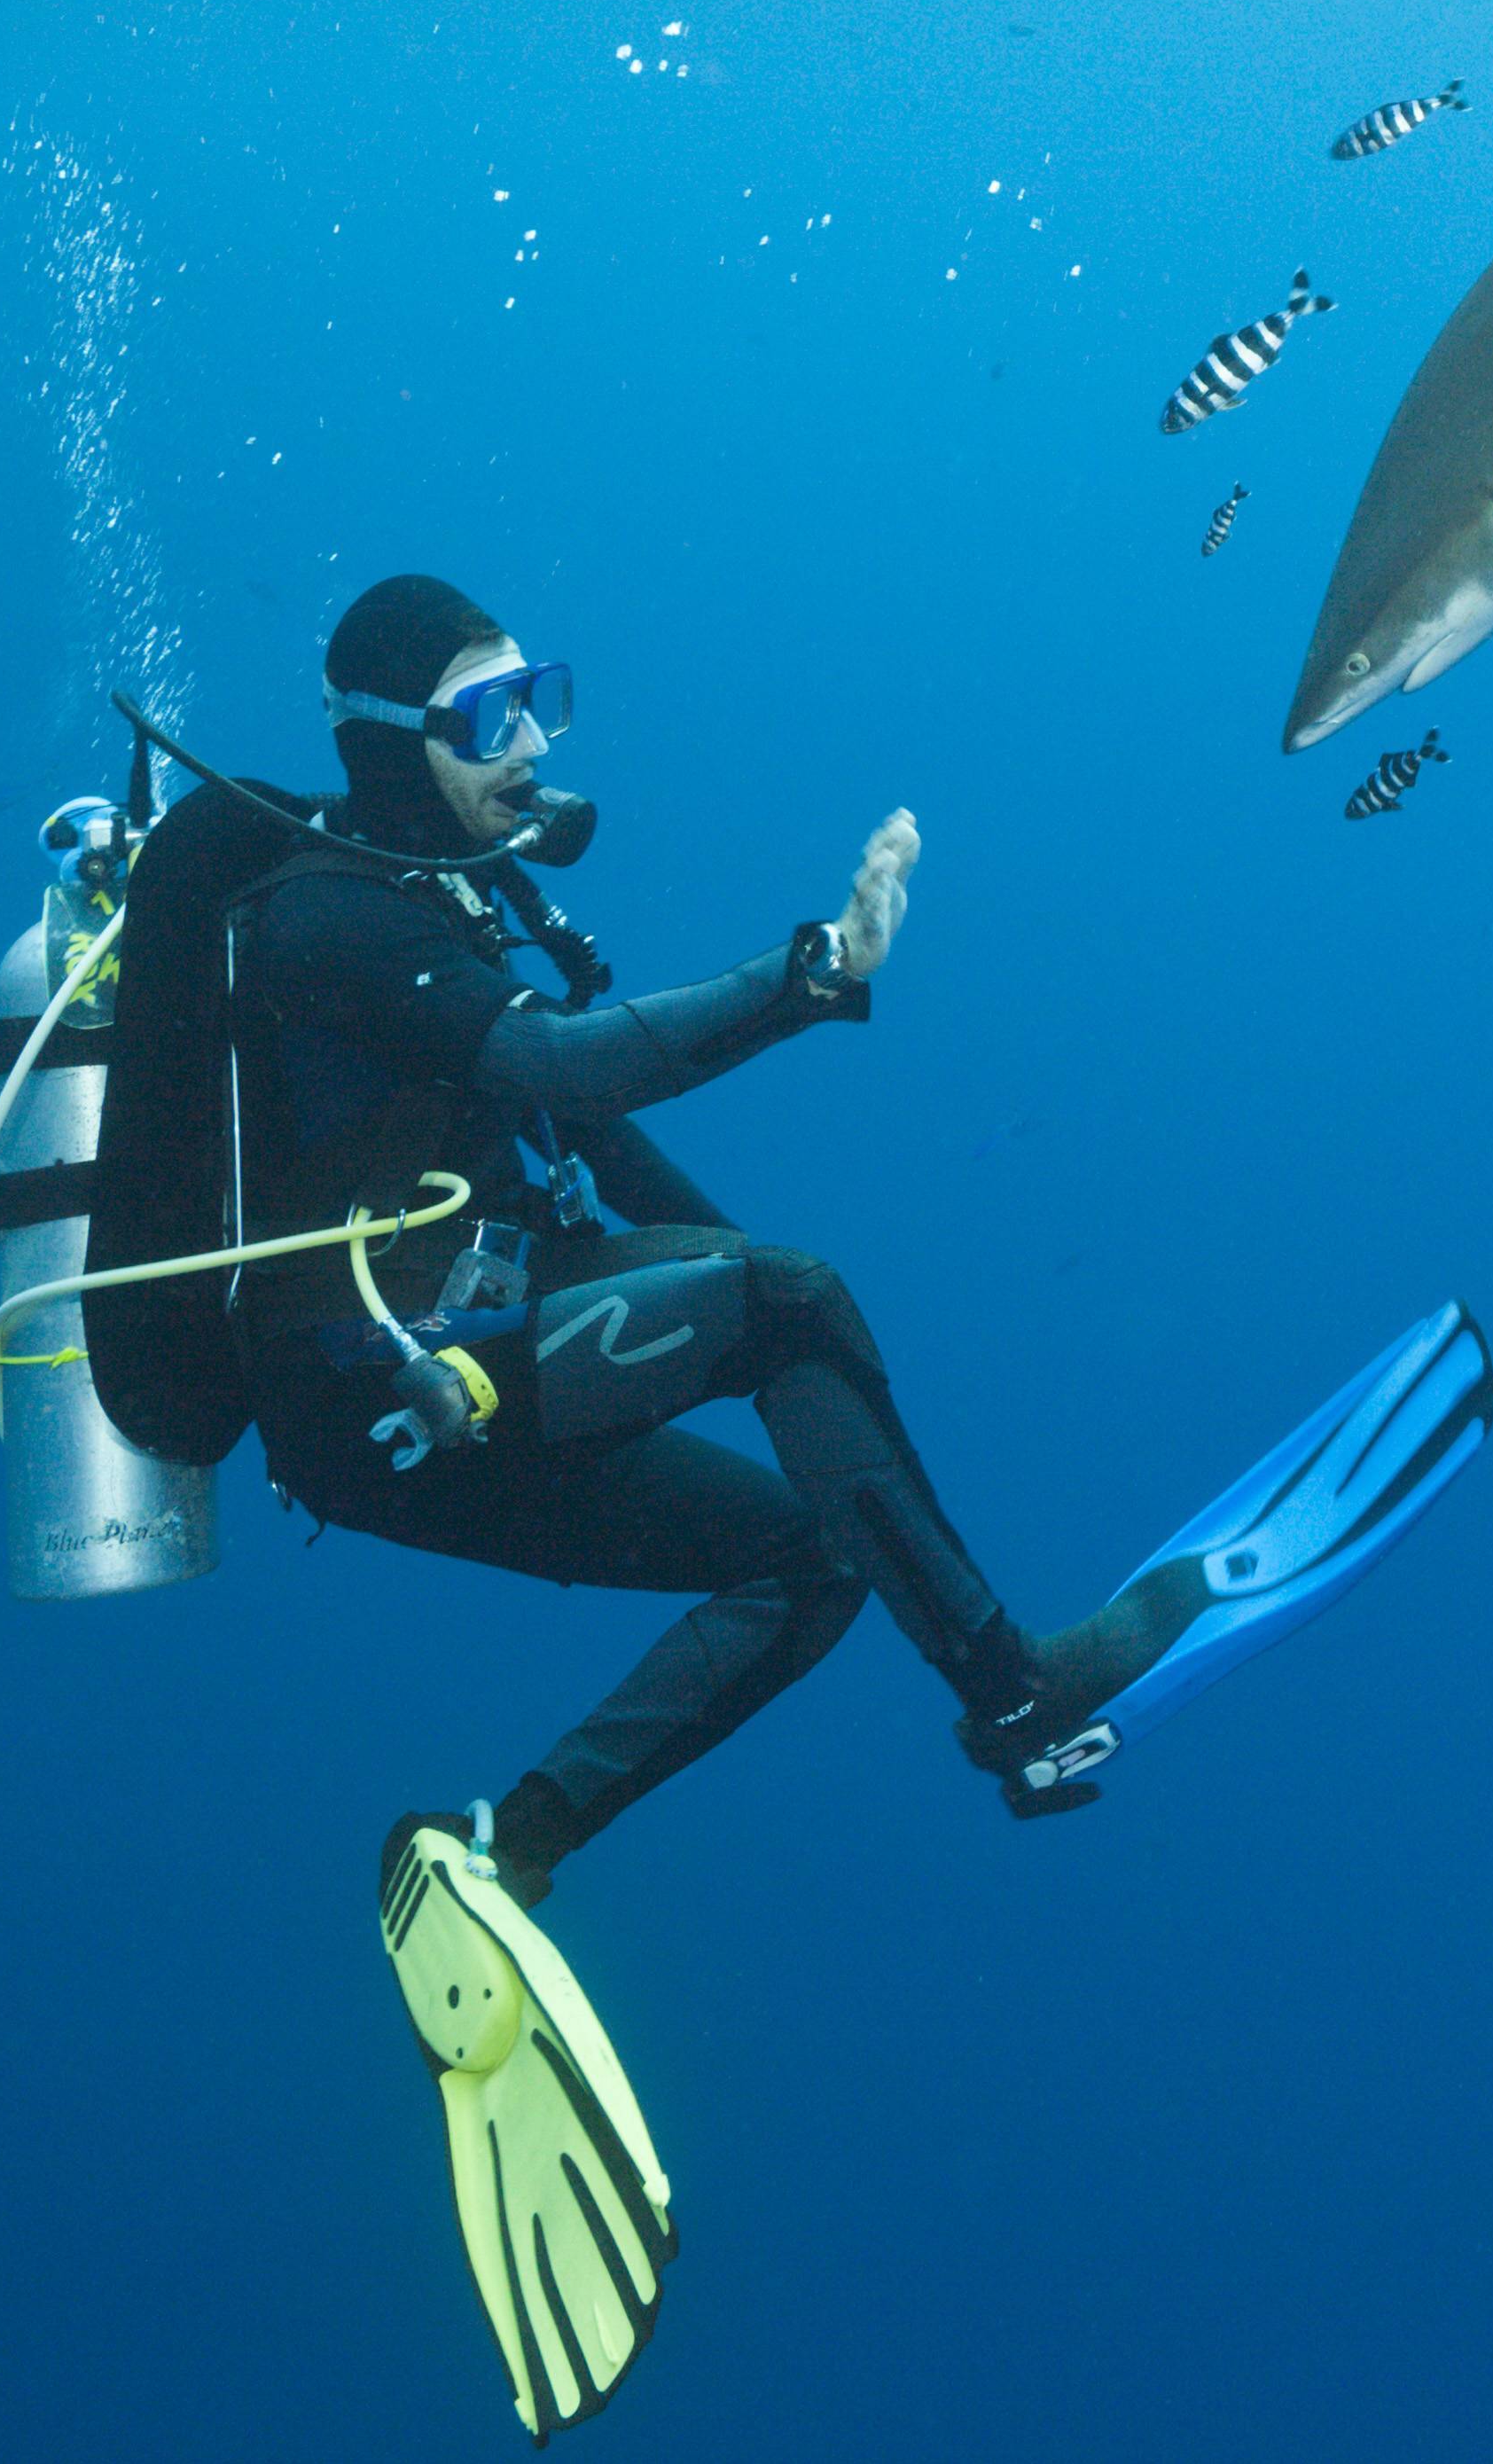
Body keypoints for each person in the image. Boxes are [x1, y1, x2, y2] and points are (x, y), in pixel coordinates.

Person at [223, 576, 1109, 1909]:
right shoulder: (328, 919)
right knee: (788, 1304)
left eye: (539, 705)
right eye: (485, 720)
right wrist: (817, 969)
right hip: (369, 1394)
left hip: (476, 1355)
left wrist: (770, 1316)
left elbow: (599, 1151)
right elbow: (567, 1065)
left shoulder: (452, 894)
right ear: (389, 739)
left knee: (816, 1554)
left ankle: (502, 1855)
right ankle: (1016, 1697)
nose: (527, 748)